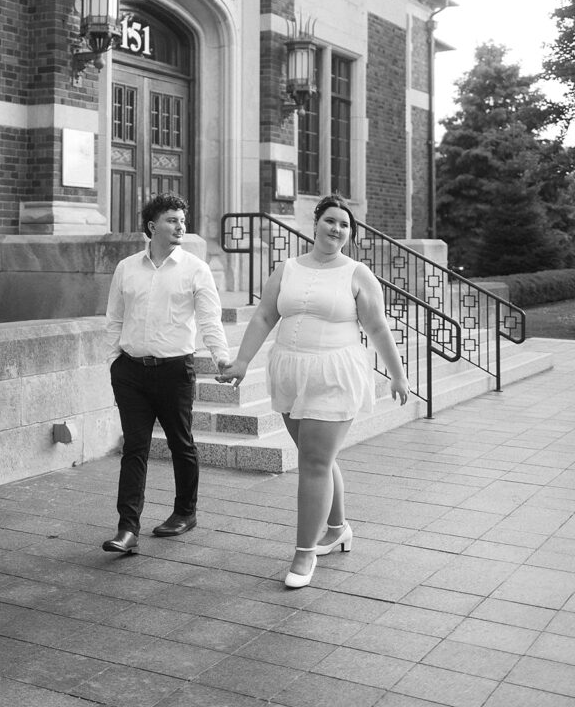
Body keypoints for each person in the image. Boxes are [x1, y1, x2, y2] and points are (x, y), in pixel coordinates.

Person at [217, 194, 410, 588]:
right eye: (331, 221)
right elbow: (265, 316)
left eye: (344, 225)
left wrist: (398, 374)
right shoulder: (287, 268)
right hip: (289, 369)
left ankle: (304, 553)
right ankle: (337, 527)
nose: (337, 229)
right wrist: (242, 362)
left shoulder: (357, 274)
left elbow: (377, 328)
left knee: (314, 464)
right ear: (316, 222)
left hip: (334, 373)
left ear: (349, 233)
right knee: (316, 457)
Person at [102, 192, 229, 554]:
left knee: (180, 443)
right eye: (172, 220)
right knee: (135, 449)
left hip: (175, 370)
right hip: (131, 372)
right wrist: (114, 362)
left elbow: (209, 319)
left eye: (182, 220)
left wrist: (221, 358)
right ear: (151, 225)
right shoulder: (127, 268)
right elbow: (114, 318)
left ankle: (185, 512)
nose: (180, 226)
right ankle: (127, 529)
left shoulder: (195, 269)